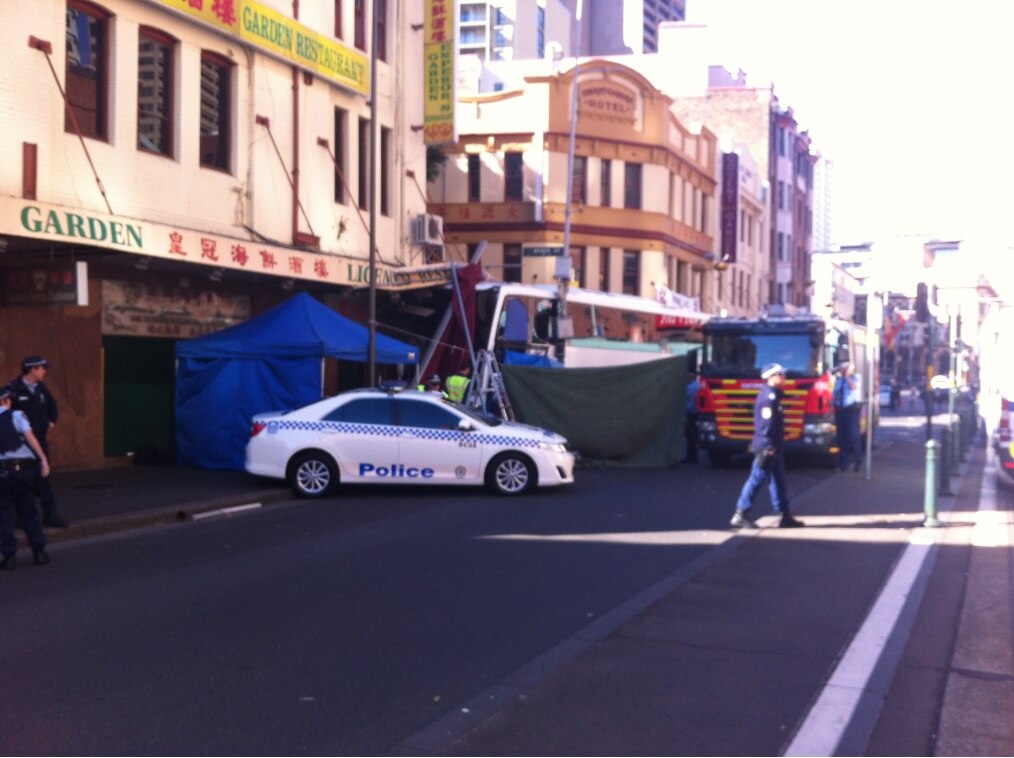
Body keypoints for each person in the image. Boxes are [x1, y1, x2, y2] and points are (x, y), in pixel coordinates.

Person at [729, 363, 804, 529]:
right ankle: (740, 514)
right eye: (780, 374)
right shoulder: (768, 399)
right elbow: (765, 427)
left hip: (774, 446)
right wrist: (768, 447)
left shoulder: (774, 396)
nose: (784, 377)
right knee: (756, 478)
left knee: (778, 481)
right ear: (771, 377)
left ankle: (785, 515)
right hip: (768, 447)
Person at [9, 356, 67, 528]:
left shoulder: (41, 388)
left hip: (40, 441)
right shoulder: (13, 390)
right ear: (32, 369)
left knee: (44, 477)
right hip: (20, 444)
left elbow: (52, 406)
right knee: (23, 480)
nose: (44, 371)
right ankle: (23, 516)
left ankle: (50, 514)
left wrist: (51, 421)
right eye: (41, 368)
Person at [0, 384, 51, 570]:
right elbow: (30, 438)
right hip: (22, 472)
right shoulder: (16, 415)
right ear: (7, 401)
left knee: (4, 515)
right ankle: (39, 552)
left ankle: (8, 557)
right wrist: (43, 459)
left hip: (1, 473)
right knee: (28, 511)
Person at [833, 361, 863, 472]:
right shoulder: (839, 381)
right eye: (842, 368)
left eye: (845, 368)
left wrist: (846, 377)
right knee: (842, 438)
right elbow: (835, 395)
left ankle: (858, 461)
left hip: (851, 411)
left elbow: (854, 387)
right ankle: (843, 464)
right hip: (840, 411)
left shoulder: (856, 377)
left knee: (854, 437)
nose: (842, 370)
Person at [685, 372, 700, 463]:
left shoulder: (690, 388)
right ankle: (693, 456)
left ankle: (691, 457)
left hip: (691, 414)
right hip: (696, 413)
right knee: (694, 436)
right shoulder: (697, 386)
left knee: (690, 436)